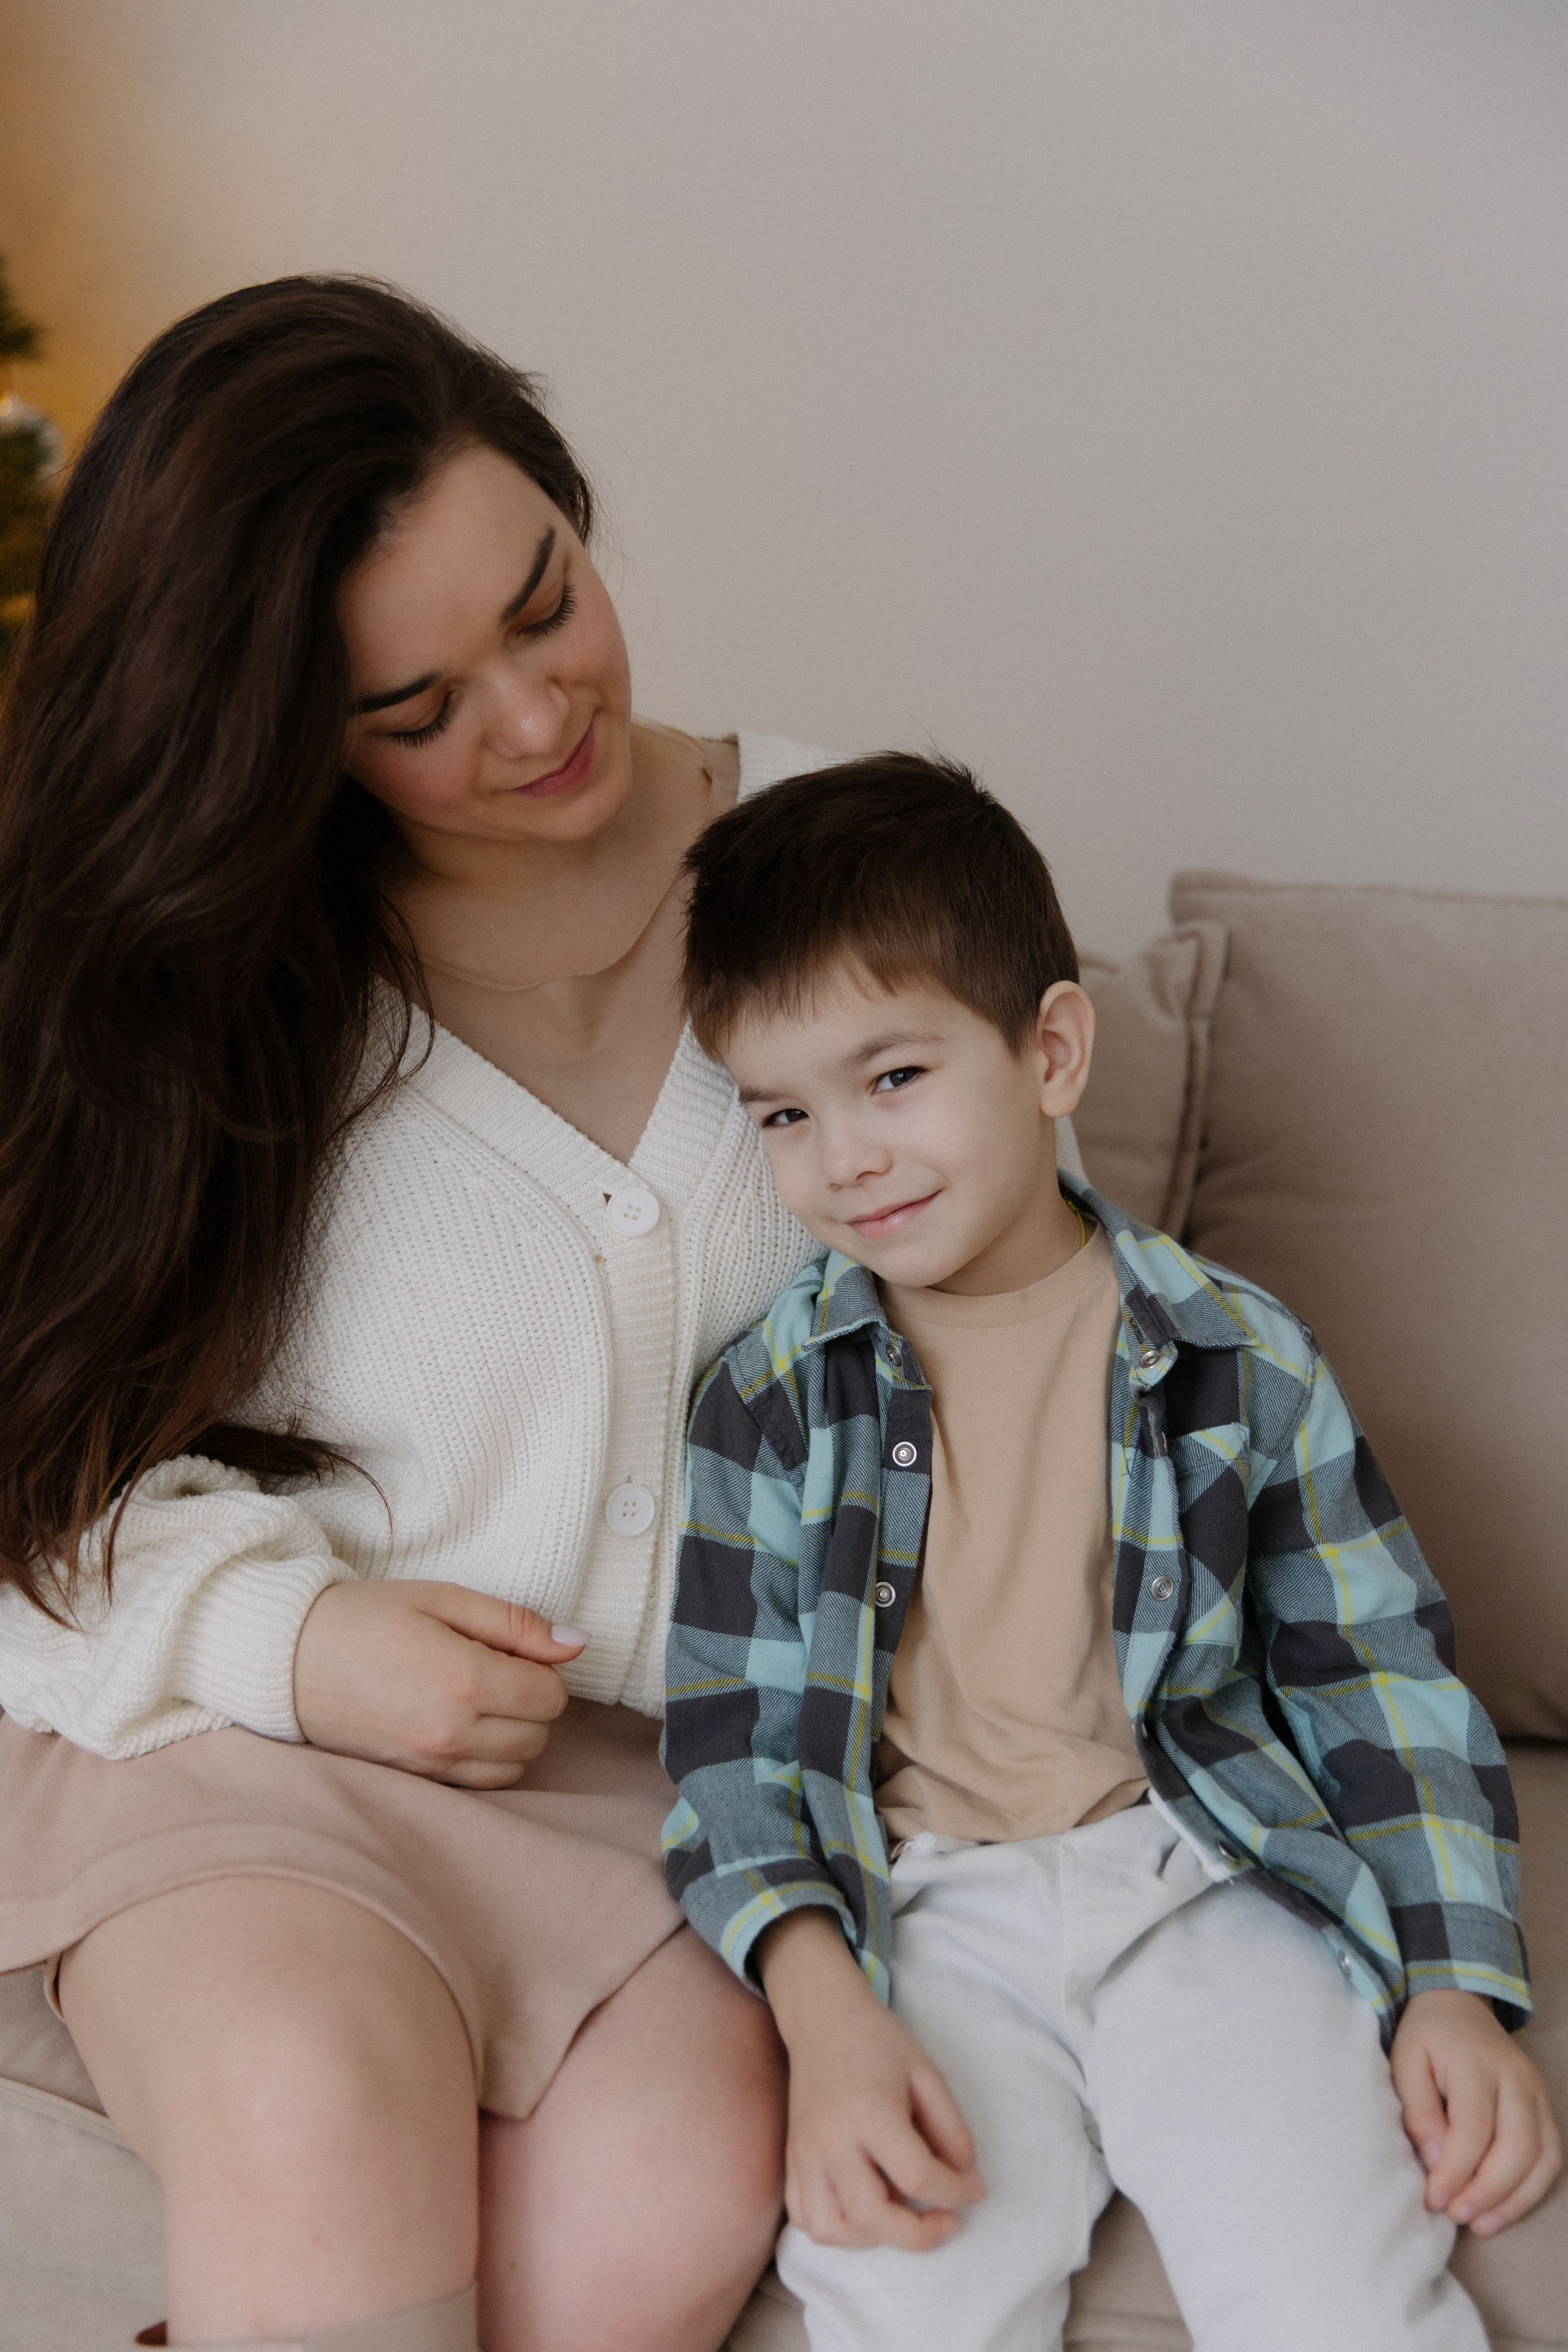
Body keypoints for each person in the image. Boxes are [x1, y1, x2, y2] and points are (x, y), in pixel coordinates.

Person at [0, 275, 823, 2352]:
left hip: (664, 1811)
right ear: (282, 731)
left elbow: (1040, 1346)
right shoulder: (183, 962)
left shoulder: (859, 873)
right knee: (315, 2097)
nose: (536, 722)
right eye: (415, 710)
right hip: (234, 1733)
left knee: (663, 2205)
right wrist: (292, 1637)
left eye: (544, 606)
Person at [662, 753, 1562, 2352]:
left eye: (893, 1079)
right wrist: (828, 2012)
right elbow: (730, 1747)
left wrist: (1452, 1983)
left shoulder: (1233, 1357)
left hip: (1200, 1882)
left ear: (1053, 1052)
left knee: (1338, 2298)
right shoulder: (771, 1399)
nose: (844, 1157)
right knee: (906, 2292)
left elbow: (1376, 1669)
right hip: (922, 1912)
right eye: (785, 1112)